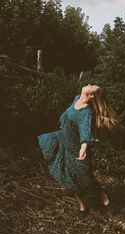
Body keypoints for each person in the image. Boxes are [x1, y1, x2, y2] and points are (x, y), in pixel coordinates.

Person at [37, 84, 119, 219]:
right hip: (63, 141)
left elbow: (85, 133)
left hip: (76, 151)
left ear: (92, 96)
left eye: (93, 87)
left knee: (86, 180)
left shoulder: (86, 113)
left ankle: (105, 200)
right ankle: (82, 207)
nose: (90, 84)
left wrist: (83, 149)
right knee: (71, 179)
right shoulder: (76, 99)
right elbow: (68, 116)